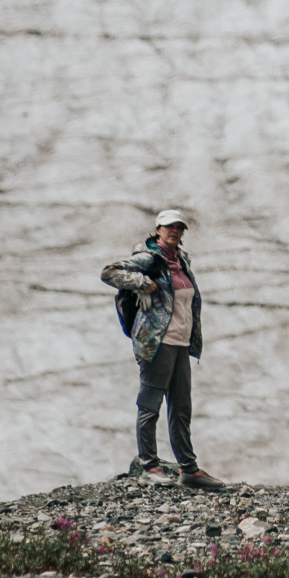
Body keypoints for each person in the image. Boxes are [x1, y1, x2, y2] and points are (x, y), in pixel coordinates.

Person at [100, 209, 228, 491]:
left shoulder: (181, 260)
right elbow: (109, 272)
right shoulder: (150, 258)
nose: (175, 232)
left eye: (180, 228)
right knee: (150, 405)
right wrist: (143, 283)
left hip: (181, 343)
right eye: (170, 227)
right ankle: (150, 467)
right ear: (158, 229)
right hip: (156, 343)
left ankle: (189, 470)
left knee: (181, 407)